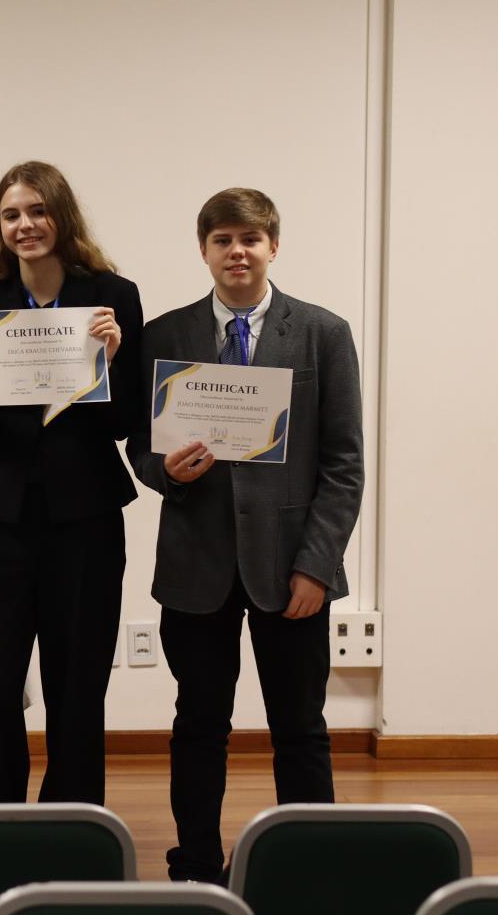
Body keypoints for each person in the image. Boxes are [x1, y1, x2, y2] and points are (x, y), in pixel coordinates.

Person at [126, 187, 363, 883]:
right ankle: (196, 866)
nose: (237, 251)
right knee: (198, 725)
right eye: (223, 240)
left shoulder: (323, 332)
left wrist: (316, 565)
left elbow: (344, 464)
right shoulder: (164, 336)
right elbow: (140, 447)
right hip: (196, 565)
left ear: (273, 247)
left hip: (291, 569)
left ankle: (308, 870)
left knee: (301, 728)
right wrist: (164, 471)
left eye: (250, 239)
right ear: (204, 250)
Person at [0, 161, 142, 806]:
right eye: (11, 215)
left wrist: (110, 365)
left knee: (78, 684)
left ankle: (74, 823)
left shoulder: (114, 295)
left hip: (88, 513)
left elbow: (126, 423)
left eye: (37, 211)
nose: (25, 225)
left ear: (62, 215)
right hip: (5, 517)